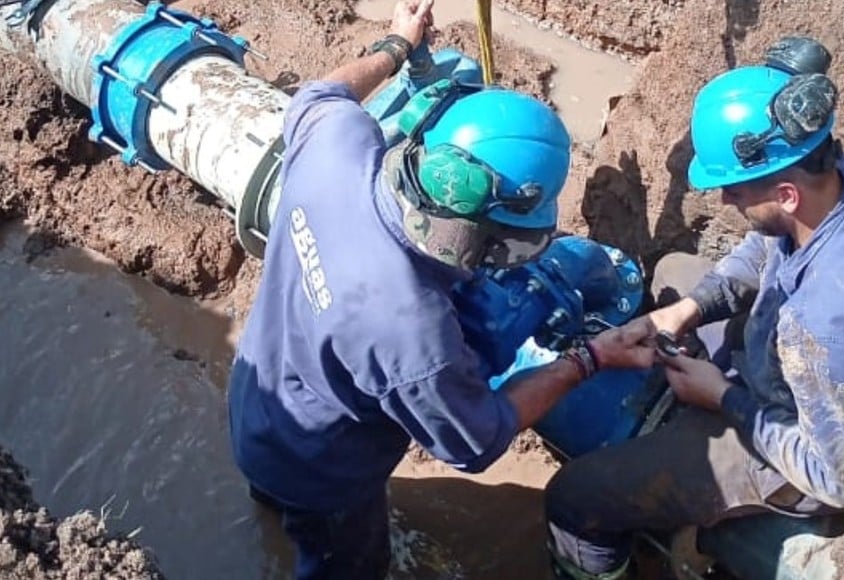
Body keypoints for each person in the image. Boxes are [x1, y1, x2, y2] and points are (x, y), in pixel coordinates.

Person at [226, 1, 654, 578]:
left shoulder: (339, 145)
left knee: (276, 496)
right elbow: (476, 441)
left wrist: (395, 45)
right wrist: (590, 357)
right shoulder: (415, 334)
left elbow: (317, 96)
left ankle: (274, 505)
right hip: (325, 473)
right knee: (346, 564)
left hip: (256, 399)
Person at [544, 40, 844, 579]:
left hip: (799, 453)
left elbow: (842, 479)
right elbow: (766, 246)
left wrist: (721, 397)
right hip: (797, 366)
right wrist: (685, 312)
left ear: (786, 194)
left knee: (574, 499)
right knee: (675, 273)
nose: (724, 202)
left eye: (736, 191)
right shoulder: (841, 178)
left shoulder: (825, 327)